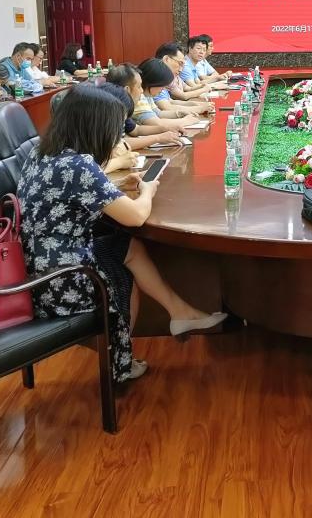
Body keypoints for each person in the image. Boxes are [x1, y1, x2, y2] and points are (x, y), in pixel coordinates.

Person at [17, 83, 227, 383]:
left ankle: (180, 312)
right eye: (113, 128)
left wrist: (118, 187)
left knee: (129, 247)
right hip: (66, 278)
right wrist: (148, 190)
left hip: (35, 266)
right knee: (122, 273)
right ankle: (119, 363)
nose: (116, 136)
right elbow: (136, 216)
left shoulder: (40, 152)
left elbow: (68, 198)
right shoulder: (79, 165)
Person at [106, 64, 192, 140]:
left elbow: (136, 130)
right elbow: (119, 144)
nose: (142, 91)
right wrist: (158, 138)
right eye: (139, 86)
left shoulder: (123, 106)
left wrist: (165, 128)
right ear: (127, 90)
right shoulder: (111, 111)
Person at [134, 59, 202, 126]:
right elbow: (156, 123)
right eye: (162, 85)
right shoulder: (139, 99)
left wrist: (179, 113)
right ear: (152, 82)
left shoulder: (147, 95)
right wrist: (184, 121)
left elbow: (158, 113)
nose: (163, 88)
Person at [155, 43, 216, 107]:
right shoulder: (157, 77)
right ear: (166, 59)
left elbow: (171, 101)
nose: (181, 70)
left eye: (204, 49)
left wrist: (198, 104)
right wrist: (204, 90)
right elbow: (181, 98)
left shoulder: (171, 75)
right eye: (180, 63)